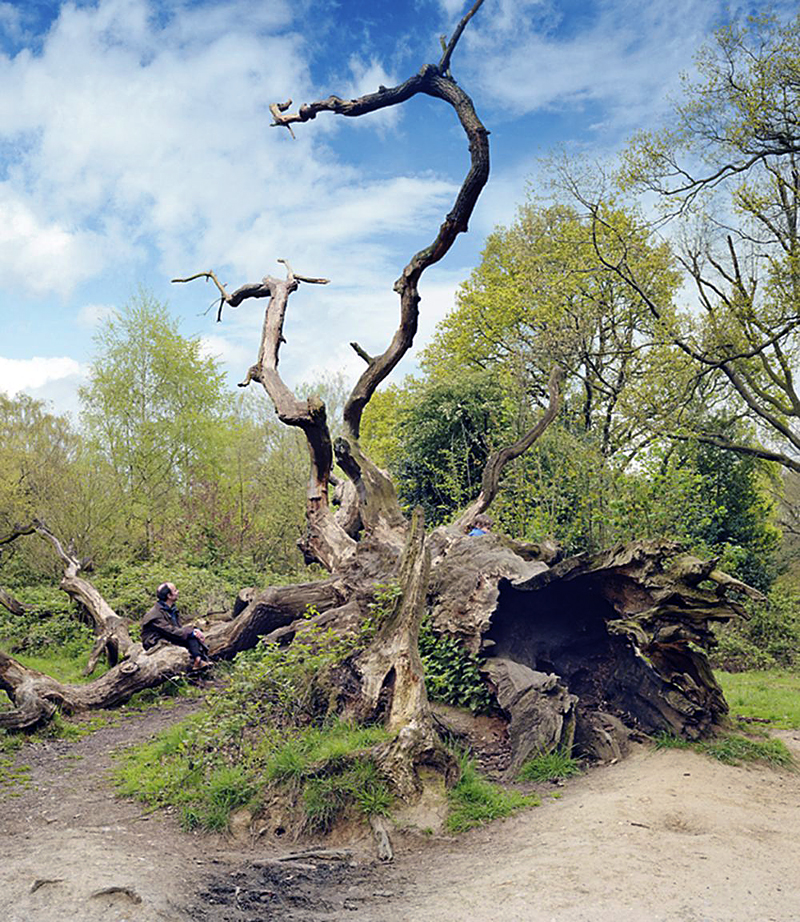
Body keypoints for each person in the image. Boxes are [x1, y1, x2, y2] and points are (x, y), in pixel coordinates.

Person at [141, 582, 211, 670]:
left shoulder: (171, 609)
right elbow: (170, 631)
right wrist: (191, 632)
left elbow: (178, 628)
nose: (178, 592)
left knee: (193, 636)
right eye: (175, 590)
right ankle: (197, 662)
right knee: (190, 636)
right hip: (155, 641)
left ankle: (198, 661)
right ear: (169, 596)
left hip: (168, 635)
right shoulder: (154, 614)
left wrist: (195, 631)